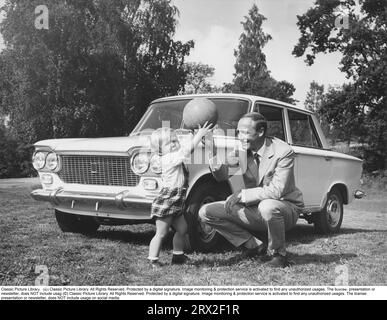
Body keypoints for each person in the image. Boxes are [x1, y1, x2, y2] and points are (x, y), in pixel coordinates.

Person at [199, 112, 304, 268]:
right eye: (239, 132)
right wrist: (212, 151)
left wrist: (242, 195)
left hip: (285, 209)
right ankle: (253, 246)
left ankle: (278, 255)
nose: (240, 137)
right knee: (206, 212)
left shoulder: (283, 151)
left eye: (245, 132)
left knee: (267, 205)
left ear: (260, 132)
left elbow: (276, 191)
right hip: (255, 209)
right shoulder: (242, 149)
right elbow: (222, 176)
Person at [148, 122, 212, 267]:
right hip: (167, 201)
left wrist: (192, 133)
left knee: (183, 229)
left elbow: (183, 145)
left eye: (175, 141)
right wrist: (198, 136)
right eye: (169, 143)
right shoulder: (168, 159)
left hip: (177, 201)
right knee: (161, 233)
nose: (174, 144)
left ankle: (178, 256)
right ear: (159, 150)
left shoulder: (172, 155)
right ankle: (153, 260)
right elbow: (186, 151)